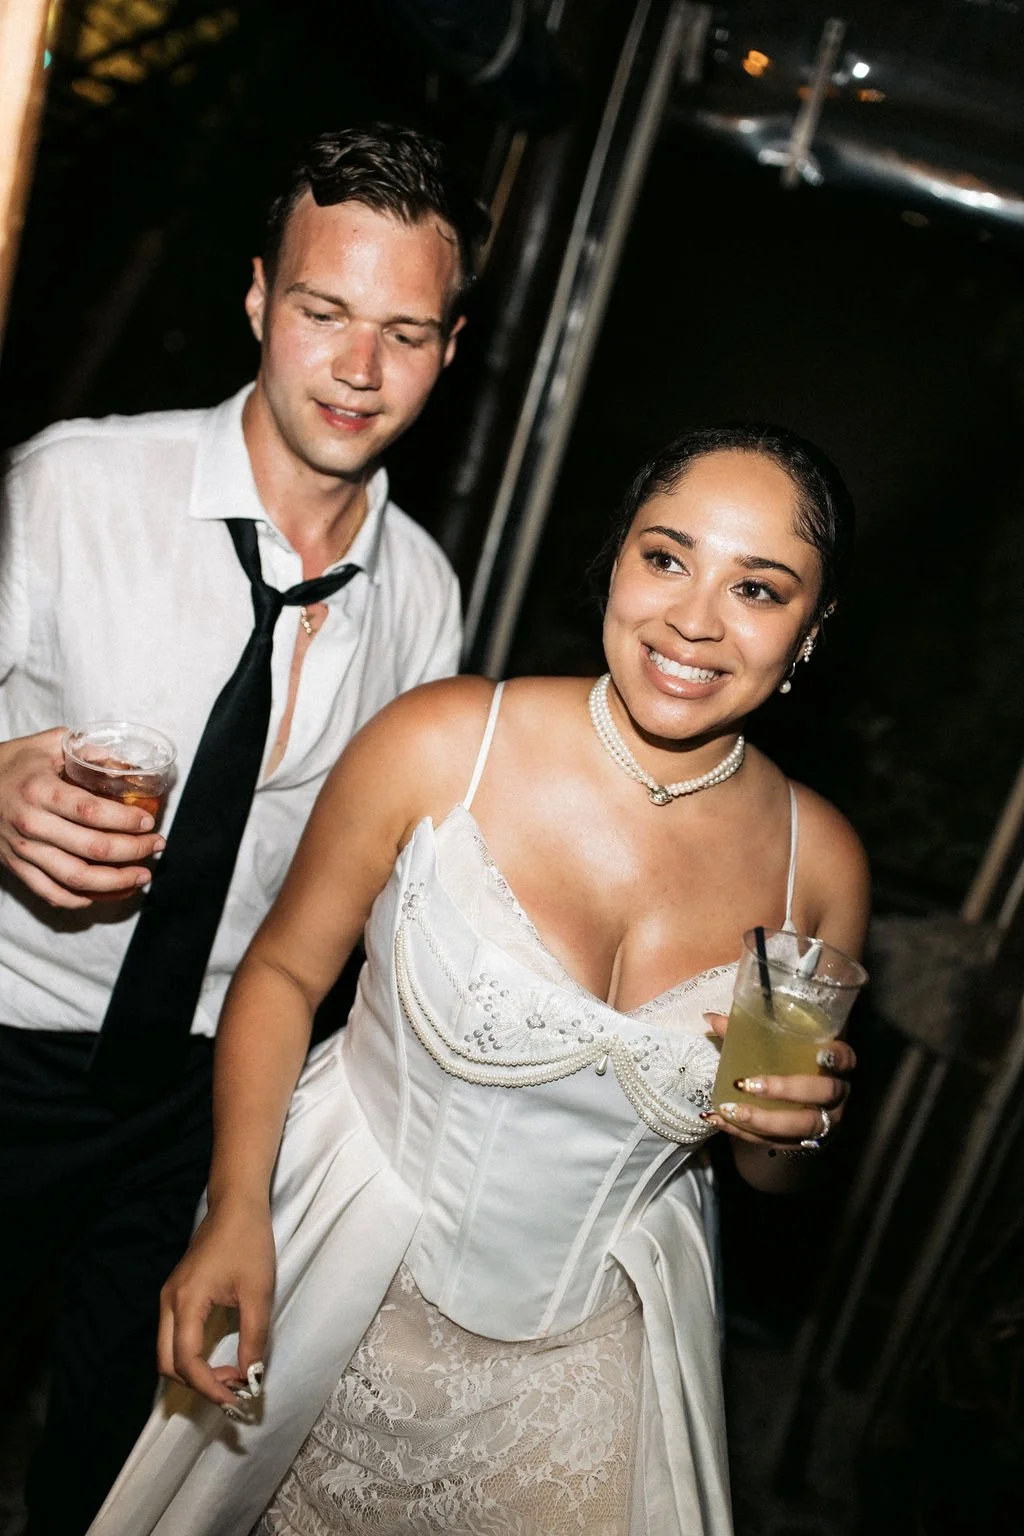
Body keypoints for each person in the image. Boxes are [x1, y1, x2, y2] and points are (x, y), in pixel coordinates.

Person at [89, 425, 870, 1536]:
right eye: (664, 558)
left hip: (588, 1369)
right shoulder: (444, 738)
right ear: (615, 561)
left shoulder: (818, 865)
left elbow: (763, 1168)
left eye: (756, 587)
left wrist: (792, 1134)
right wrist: (235, 1210)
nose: (693, 619)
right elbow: (279, 971)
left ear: (809, 628)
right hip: (329, 1283)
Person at [0, 124, 488, 1536]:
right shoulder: (72, 488)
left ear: (449, 354)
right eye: (326, 313)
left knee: (109, 1478)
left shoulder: (426, 601)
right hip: (11, 1037)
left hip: (209, 1098)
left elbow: (368, 906)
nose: (356, 368)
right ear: (260, 298)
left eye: (404, 333)